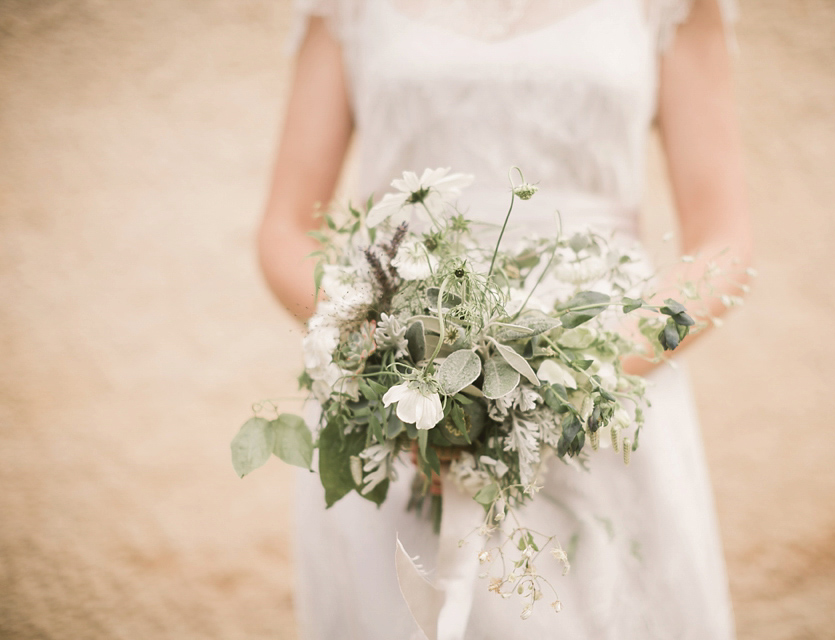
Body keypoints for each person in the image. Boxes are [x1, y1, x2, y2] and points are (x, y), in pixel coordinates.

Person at [257, 0, 752, 637]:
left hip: (604, 400)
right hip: (407, 412)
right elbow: (286, 227)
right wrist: (383, 357)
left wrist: (579, 373)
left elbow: (723, 241)